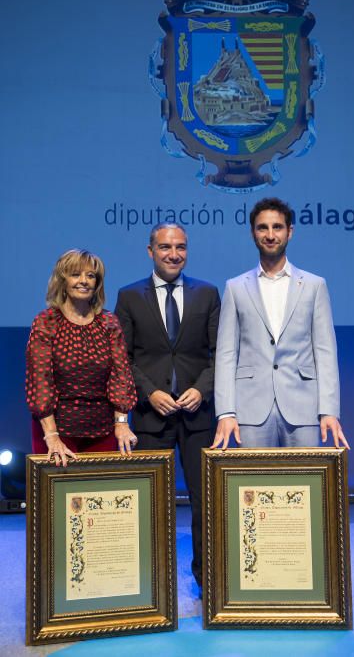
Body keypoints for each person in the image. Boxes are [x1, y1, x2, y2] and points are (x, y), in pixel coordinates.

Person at [115, 223, 220, 589]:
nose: (173, 254)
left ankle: (207, 580)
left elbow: (221, 354)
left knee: (205, 502)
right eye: (165, 247)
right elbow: (122, 359)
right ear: (150, 252)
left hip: (197, 417)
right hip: (150, 417)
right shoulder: (128, 297)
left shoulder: (207, 293)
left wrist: (202, 390)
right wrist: (148, 393)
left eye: (180, 247)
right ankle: (150, 585)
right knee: (150, 505)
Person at [212, 197, 349, 451]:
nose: (270, 234)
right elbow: (226, 354)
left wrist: (329, 410)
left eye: (277, 227)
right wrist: (226, 412)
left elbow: (325, 352)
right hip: (250, 408)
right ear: (253, 233)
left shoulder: (313, 285)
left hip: (303, 406)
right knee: (251, 486)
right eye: (263, 227)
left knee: (307, 484)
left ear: (290, 232)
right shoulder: (235, 287)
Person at [26, 249, 138, 467]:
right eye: (76, 274)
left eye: (91, 275)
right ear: (63, 280)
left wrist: (122, 423)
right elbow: (40, 382)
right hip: (56, 430)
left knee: (101, 495)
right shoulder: (46, 322)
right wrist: (51, 435)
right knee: (57, 498)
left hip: (103, 429)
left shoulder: (108, 322)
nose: (84, 281)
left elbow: (121, 377)